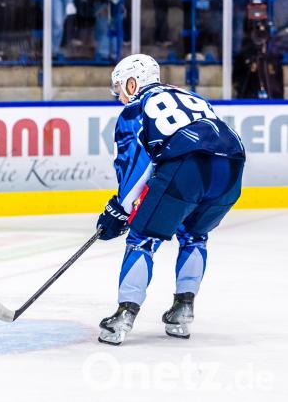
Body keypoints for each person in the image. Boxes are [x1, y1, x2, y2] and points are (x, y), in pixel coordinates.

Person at [95, 54, 246, 345]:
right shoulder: (192, 97)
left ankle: (124, 315)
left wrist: (120, 210)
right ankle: (183, 310)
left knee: (142, 237)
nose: (119, 97)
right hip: (232, 165)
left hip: (186, 166)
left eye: (120, 88)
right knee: (194, 236)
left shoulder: (135, 108)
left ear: (132, 82)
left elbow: (134, 165)